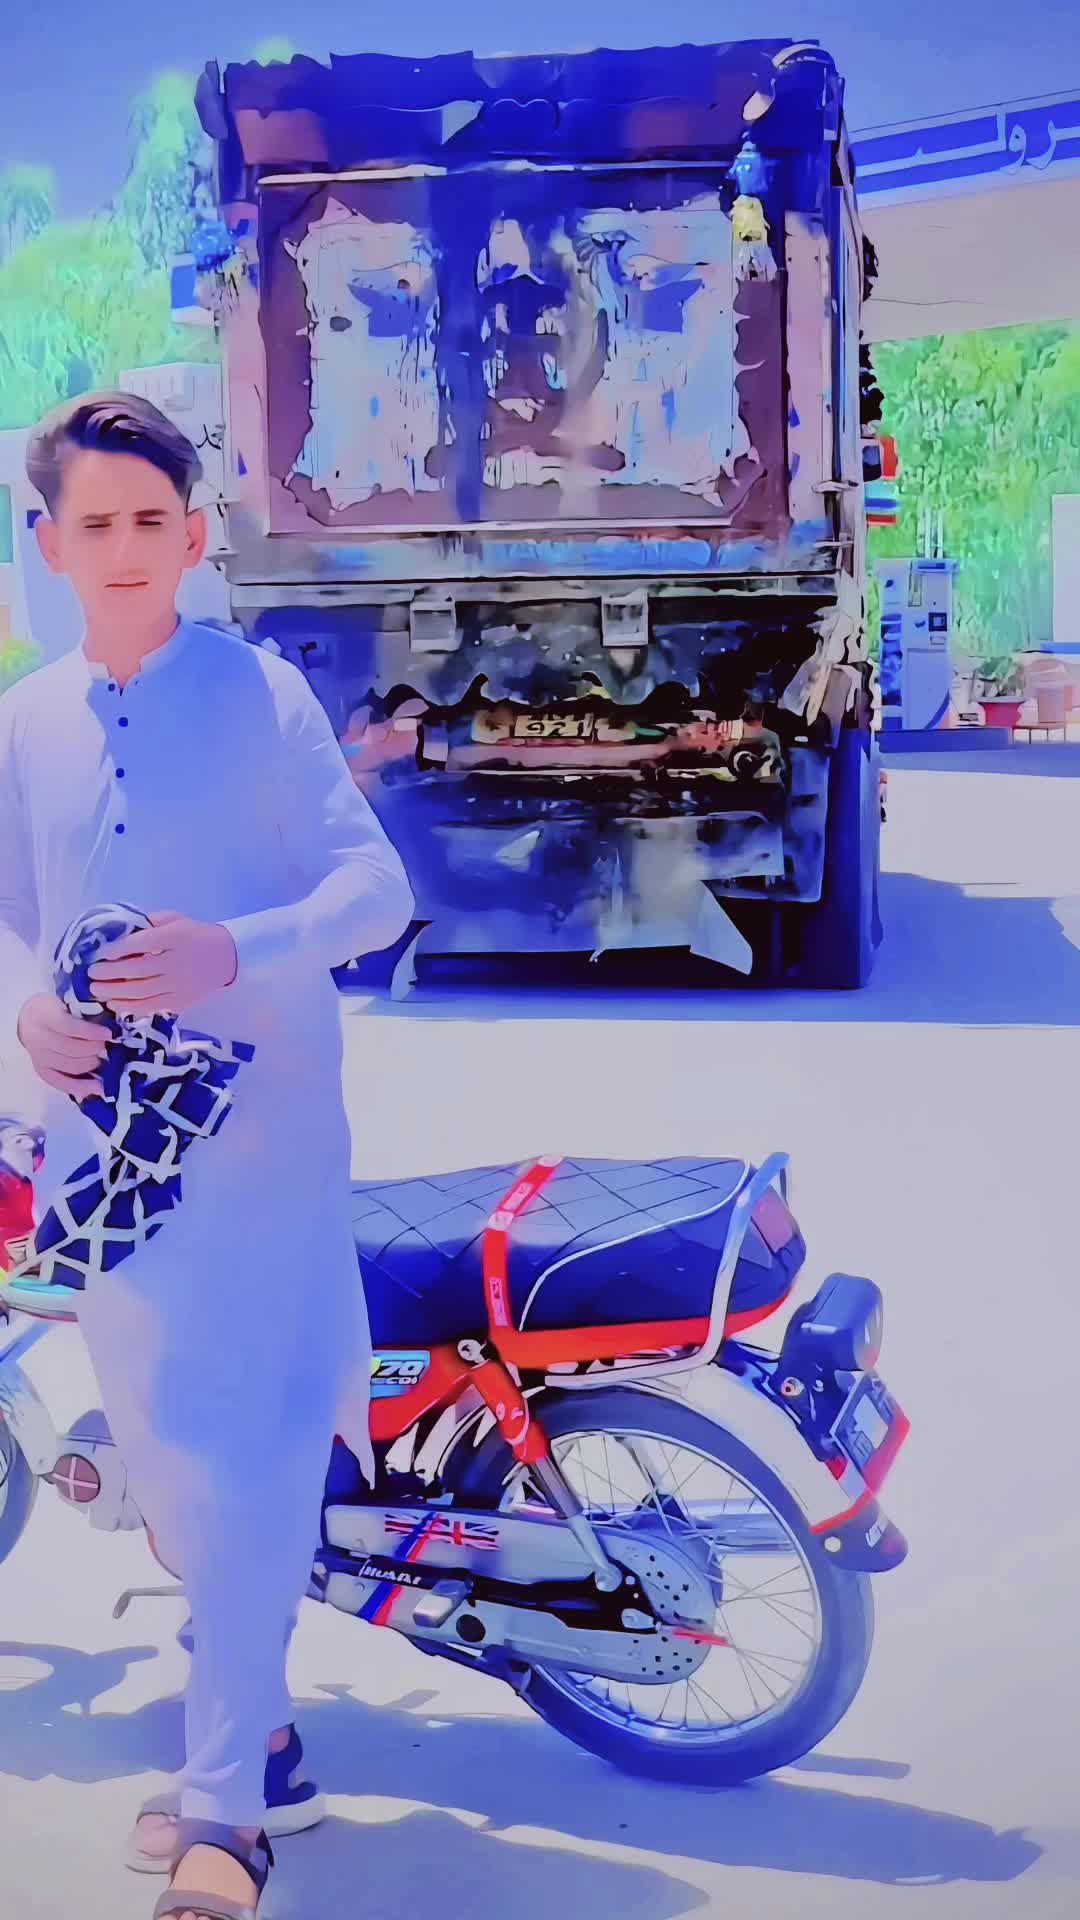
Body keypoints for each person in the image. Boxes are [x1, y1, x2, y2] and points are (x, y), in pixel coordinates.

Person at [0, 393, 415, 1919]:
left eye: (150, 521)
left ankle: (224, 1815)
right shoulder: (27, 721)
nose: (123, 549)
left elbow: (373, 890)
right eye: (93, 523)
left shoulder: (260, 695)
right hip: (103, 1155)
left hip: (259, 1147)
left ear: (192, 537)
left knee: (241, 1464)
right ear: (47, 543)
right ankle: (269, 1738)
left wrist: (232, 949)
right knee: (168, 1468)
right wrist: (31, 1012)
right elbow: (12, 920)